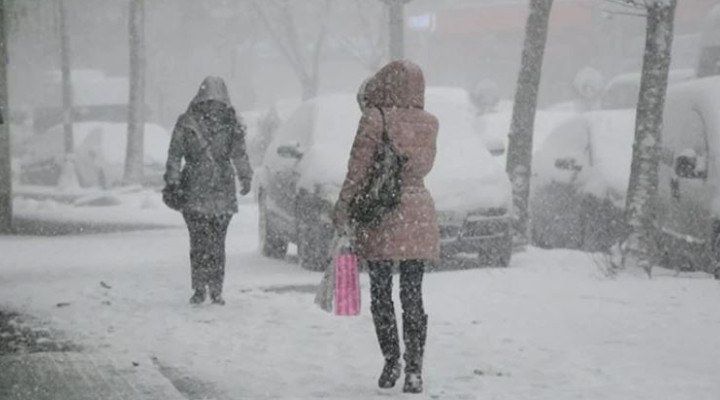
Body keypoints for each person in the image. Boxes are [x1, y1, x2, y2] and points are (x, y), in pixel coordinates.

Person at [333, 61, 440, 394]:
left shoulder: (374, 118)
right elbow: (422, 166)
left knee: (381, 293)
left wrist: (343, 206)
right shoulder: (429, 123)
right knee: (413, 294)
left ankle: (391, 359)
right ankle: (415, 369)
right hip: (419, 210)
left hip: (382, 213)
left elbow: (358, 169)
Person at [164, 76, 253, 306]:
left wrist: (173, 181)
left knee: (201, 243)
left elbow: (175, 154)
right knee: (214, 243)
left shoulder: (188, 122)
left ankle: (202, 288)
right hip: (219, 189)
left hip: (195, 189)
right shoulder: (230, 121)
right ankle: (213, 289)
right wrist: (245, 177)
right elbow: (239, 154)